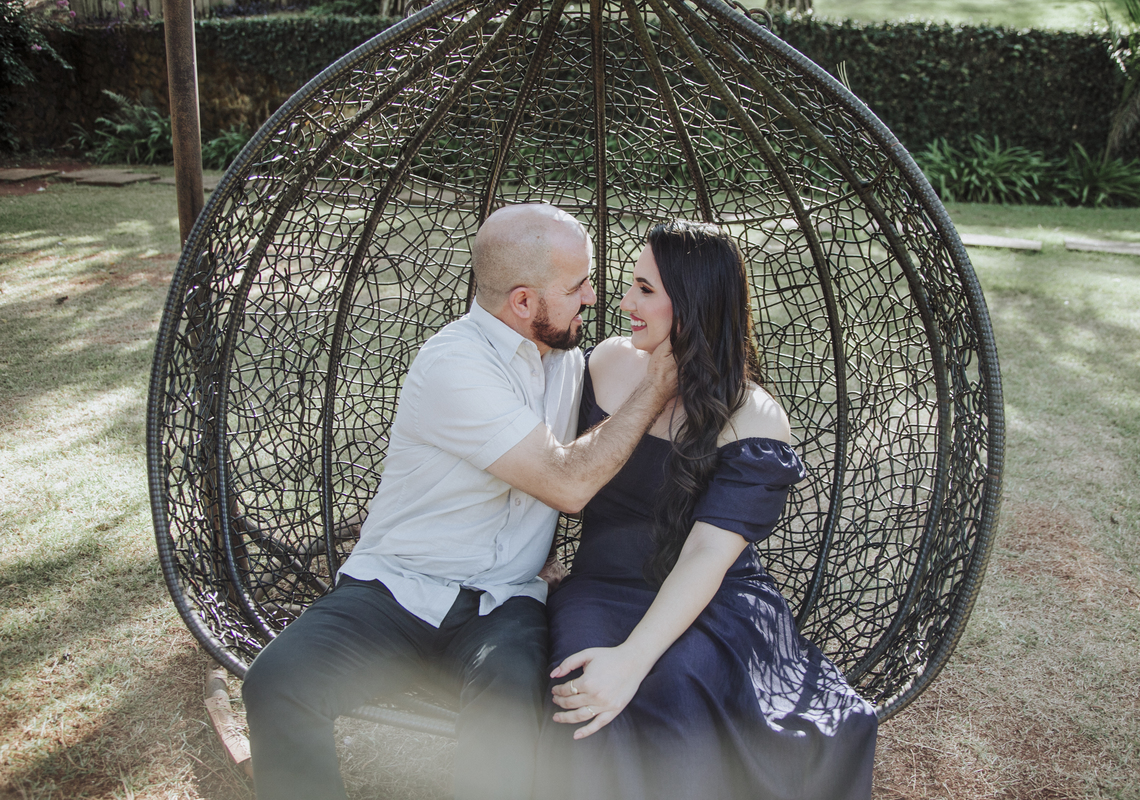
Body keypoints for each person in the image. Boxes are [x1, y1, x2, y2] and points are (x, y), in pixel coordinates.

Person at [241, 203, 677, 800]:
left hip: (503, 603)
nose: (592, 298)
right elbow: (568, 484)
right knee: (276, 683)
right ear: (523, 302)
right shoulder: (454, 365)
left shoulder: (569, 362)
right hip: (397, 590)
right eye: (577, 286)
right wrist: (654, 388)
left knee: (510, 710)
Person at [532, 220, 878, 800]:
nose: (625, 303)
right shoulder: (607, 363)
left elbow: (707, 555)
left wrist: (632, 660)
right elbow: (553, 468)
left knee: (675, 683)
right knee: (581, 693)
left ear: (693, 302)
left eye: (645, 289)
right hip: (601, 586)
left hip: (713, 598)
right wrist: (534, 558)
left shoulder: (754, 415)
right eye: (631, 285)